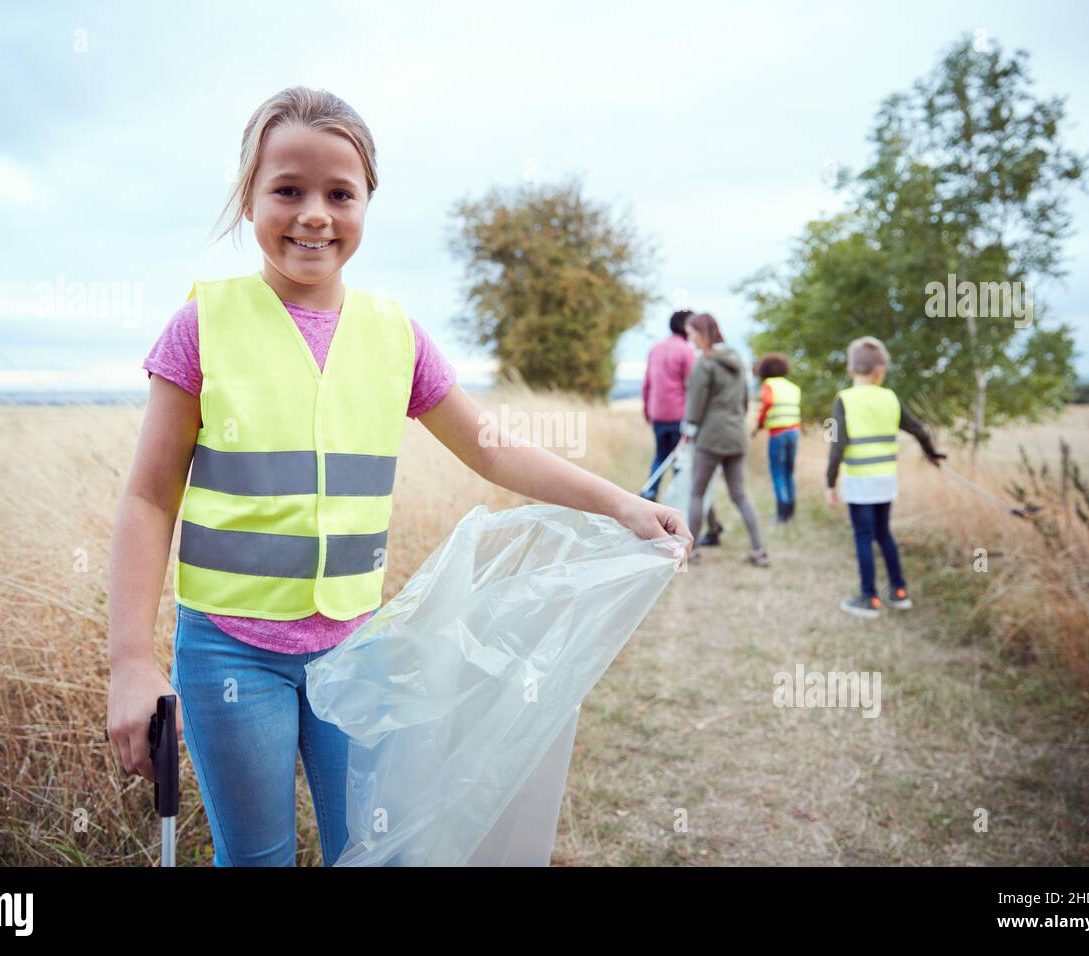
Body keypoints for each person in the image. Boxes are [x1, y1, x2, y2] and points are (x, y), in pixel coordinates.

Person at [105, 86, 692, 868]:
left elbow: (493, 447)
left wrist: (623, 504)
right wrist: (131, 664)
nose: (315, 213)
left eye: (339, 194)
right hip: (228, 654)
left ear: (366, 204)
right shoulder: (201, 326)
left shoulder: (394, 335)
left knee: (377, 849)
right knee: (259, 857)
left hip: (356, 648)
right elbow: (148, 498)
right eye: (288, 189)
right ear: (249, 198)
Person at [824, 336, 946, 618]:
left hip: (859, 482)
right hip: (885, 480)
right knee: (884, 533)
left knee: (863, 536)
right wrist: (932, 453)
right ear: (880, 368)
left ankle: (869, 598)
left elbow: (836, 446)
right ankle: (899, 591)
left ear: (851, 368)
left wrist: (830, 482)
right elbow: (920, 429)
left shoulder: (845, 399)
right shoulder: (890, 398)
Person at [680, 313, 769, 567]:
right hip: (736, 434)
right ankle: (759, 550)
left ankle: (692, 549)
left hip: (711, 435)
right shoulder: (737, 361)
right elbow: (744, 400)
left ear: (701, 333)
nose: (690, 339)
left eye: (691, 334)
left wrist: (689, 429)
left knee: (697, 492)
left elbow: (695, 404)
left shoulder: (705, 363)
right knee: (740, 494)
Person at [639, 309, 723, 544]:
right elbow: (694, 387)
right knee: (684, 469)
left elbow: (647, 384)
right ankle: (683, 520)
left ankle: (648, 502)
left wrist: (647, 410)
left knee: (660, 458)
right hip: (680, 417)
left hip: (658, 415)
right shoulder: (686, 352)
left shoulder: (655, 349)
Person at [751, 353, 801, 523]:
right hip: (794, 432)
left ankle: (782, 513)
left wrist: (759, 424)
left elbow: (768, 403)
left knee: (778, 472)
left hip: (778, 434)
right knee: (789, 471)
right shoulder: (793, 387)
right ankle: (791, 509)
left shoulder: (768, 384)